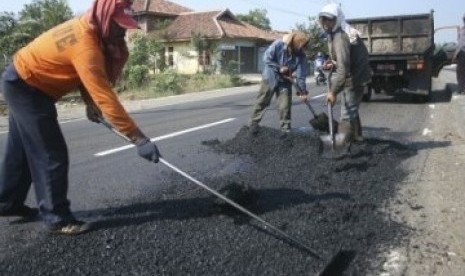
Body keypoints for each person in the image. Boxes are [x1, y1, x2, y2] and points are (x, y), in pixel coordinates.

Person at [0, 0, 161, 235]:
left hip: (26, 81)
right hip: (25, 85)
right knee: (51, 153)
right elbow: (105, 96)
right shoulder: (86, 44)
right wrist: (139, 139)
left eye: (126, 26)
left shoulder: (91, 30)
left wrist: (89, 103)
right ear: (105, 18)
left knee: (22, 149)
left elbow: (83, 75)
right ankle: (57, 218)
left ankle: (7, 203)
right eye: (119, 25)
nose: (123, 31)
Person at [318, 3, 371, 142]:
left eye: (330, 19)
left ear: (337, 19)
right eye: (324, 19)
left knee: (346, 115)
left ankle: (341, 148)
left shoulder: (340, 37)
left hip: (355, 77)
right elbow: (341, 59)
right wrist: (331, 62)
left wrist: (333, 92)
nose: (326, 23)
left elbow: (343, 69)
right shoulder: (334, 34)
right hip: (353, 73)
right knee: (350, 107)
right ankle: (357, 138)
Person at [248, 31, 310, 135]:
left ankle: (285, 131)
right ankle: (252, 126)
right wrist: (279, 67)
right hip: (270, 76)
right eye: (302, 46)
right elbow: (266, 58)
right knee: (262, 102)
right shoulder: (278, 45)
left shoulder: (301, 57)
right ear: (295, 44)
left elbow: (301, 76)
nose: (303, 48)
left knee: (284, 106)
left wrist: (302, 91)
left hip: (285, 81)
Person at [454, 13, 465, 94]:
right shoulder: (462, 29)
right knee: (459, 71)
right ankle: (461, 88)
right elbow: (459, 40)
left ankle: (462, 89)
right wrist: (458, 31)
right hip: (460, 53)